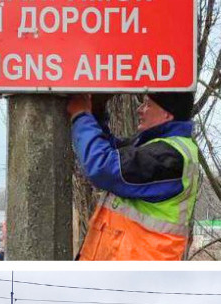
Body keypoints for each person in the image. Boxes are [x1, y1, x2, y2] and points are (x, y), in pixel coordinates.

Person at [67, 92, 200, 261]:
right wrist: (96, 112)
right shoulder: (155, 146)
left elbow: (103, 167)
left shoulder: (169, 156)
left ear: (167, 114)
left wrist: (81, 115)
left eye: (148, 104)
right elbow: (114, 152)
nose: (140, 109)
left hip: (137, 269)